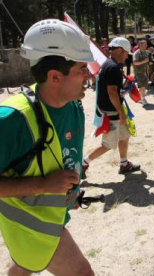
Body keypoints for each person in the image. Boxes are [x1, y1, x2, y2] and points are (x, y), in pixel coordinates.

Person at [0, 19, 94, 276]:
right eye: (81, 70)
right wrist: (44, 186)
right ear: (54, 76)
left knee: (22, 266)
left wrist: (72, 185)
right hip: (31, 223)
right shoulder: (10, 121)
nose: (88, 76)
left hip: (50, 215)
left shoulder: (73, 105)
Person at [82, 37, 141, 178]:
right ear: (120, 50)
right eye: (126, 52)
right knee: (108, 144)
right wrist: (121, 113)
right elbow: (111, 92)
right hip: (113, 111)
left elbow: (114, 89)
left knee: (124, 136)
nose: (127, 56)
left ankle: (124, 163)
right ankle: (83, 163)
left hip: (112, 109)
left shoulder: (109, 64)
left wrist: (125, 87)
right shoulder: (113, 67)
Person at [133, 39, 153, 106]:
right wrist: (144, 61)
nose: (146, 45)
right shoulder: (136, 53)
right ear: (140, 45)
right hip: (139, 72)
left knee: (143, 86)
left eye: (146, 44)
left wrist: (150, 62)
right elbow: (135, 63)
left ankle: (139, 97)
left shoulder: (147, 52)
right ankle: (143, 99)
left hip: (145, 72)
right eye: (145, 44)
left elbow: (149, 60)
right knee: (142, 87)